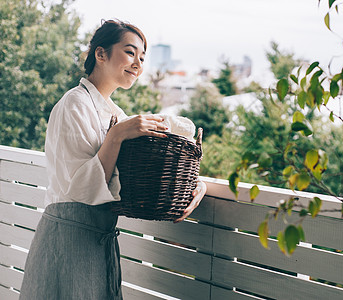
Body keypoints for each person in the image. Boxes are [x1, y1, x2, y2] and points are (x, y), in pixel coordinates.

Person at [19, 19, 207, 300]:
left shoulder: (116, 114)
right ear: (101, 54)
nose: (138, 64)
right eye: (130, 52)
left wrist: (197, 185)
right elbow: (80, 189)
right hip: (67, 239)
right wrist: (116, 137)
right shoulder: (74, 105)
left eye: (142, 57)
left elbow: (149, 169)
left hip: (98, 239)